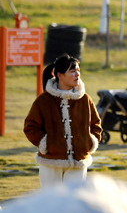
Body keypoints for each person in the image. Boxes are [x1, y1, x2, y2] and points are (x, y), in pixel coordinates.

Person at [24, 54, 102, 188]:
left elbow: (96, 125)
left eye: (78, 70)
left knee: (74, 200)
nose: (77, 74)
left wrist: (89, 142)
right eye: (72, 71)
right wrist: (45, 144)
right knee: (51, 200)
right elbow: (30, 127)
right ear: (60, 75)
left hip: (78, 162)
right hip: (51, 162)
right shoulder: (44, 100)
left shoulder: (85, 100)